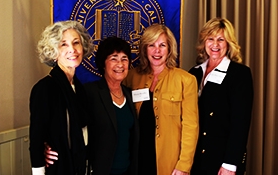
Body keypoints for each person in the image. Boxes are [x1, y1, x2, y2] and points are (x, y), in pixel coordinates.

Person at [44, 36, 139, 175]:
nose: (120, 64)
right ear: (103, 63)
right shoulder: (89, 92)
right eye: (114, 58)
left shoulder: (130, 95)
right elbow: (66, 123)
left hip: (127, 171)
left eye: (124, 59)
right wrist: (45, 145)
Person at [123, 24, 199, 175]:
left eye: (162, 45)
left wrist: (184, 165)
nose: (157, 51)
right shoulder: (130, 77)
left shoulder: (186, 80)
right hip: (136, 159)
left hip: (169, 162)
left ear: (170, 49)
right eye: (151, 45)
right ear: (145, 49)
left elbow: (191, 127)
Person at [189, 17, 254, 175]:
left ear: (229, 43)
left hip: (222, 162)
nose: (215, 45)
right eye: (210, 39)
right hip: (195, 159)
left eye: (221, 39)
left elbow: (240, 123)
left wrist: (230, 164)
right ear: (204, 42)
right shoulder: (194, 73)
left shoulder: (239, 74)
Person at [29, 20, 93, 175]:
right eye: (63, 44)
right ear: (53, 51)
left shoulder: (80, 89)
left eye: (76, 42)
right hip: (58, 169)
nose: (72, 49)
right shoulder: (44, 88)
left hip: (80, 167)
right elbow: (37, 139)